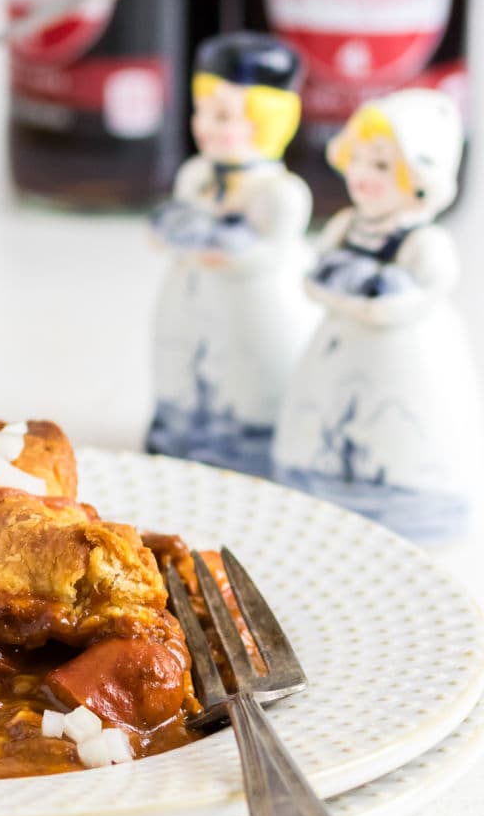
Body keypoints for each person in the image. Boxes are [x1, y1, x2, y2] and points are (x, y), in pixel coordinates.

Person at [273, 90, 477, 542]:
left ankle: (402, 508)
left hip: (404, 357)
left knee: (393, 425)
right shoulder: (346, 226)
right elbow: (312, 279)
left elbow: (419, 296)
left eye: (382, 165)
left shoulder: (425, 243)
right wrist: (354, 296)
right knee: (326, 418)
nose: (364, 175)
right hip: (340, 344)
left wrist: (369, 299)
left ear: (421, 176)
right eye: (359, 160)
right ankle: (320, 499)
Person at [146, 32, 314, 476]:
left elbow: (260, 253)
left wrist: (216, 243)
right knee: (183, 364)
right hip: (192, 296)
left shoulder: (280, 193)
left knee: (244, 376)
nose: (204, 125)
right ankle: (180, 437)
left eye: (222, 115)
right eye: (202, 111)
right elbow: (168, 231)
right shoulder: (195, 175)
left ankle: (246, 446)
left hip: (254, 308)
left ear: (265, 121)